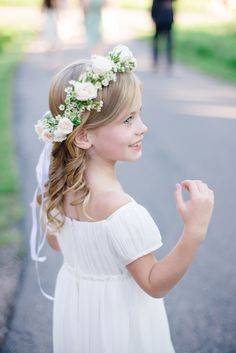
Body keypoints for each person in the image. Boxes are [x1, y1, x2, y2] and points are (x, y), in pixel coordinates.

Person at [31, 44, 214, 353]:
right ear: (85, 136)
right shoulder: (123, 212)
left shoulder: (57, 190)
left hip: (80, 315)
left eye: (138, 114)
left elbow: (58, 243)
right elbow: (154, 283)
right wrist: (194, 230)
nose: (143, 127)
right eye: (127, 120)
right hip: (121, 324)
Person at [151, 0, 175, 68]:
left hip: (165, 20)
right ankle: (157, 60)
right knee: (162, 42)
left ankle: (166, 61)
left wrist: (153, 17)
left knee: (167, 42)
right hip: (162, 20)